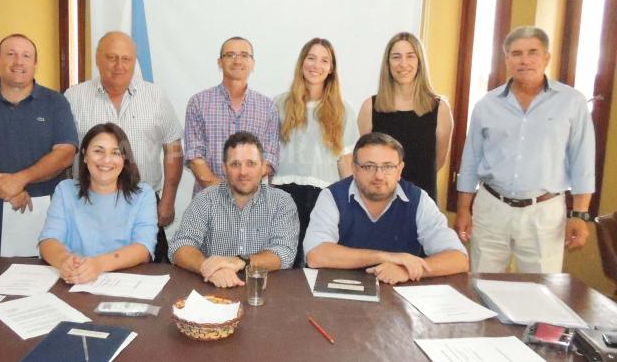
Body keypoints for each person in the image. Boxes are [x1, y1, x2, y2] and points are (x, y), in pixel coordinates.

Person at [455, 26, 595, 273]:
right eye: (516, 53)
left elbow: (582, 162)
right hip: (491, 208)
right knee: (481, 284)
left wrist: (580, 215)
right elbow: (470, 161)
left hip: (544, 211)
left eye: (533, 52)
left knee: (542, 292)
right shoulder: (487, 104)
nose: (525, 60)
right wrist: (463, 210)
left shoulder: (572, 102)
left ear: (546, 57)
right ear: (507, 59)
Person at [0, 34, 78, 256]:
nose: (19, 62)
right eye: (11, 54)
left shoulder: (55, 102)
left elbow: (65, 153)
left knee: (48, 285)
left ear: (35, 63)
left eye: (26, 56)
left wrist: (21, 179)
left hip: (47, 219)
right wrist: (4, 188)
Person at [64, 31, 182, 263]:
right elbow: (66, 153)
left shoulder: (155, 96)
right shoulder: (73, 97)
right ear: (98, 59)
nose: (119, 65)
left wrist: (167, 200)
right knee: (90, 272)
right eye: (111, 57)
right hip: (89, 204)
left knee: (151, 274)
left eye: (126, 59)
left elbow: (174, 148)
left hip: (143, 204)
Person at [304, 132, 468, 285]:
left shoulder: (418, 200)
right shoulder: (332, 197)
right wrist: (387, 257)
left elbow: (458, 258)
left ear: (400, 170)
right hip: (342, 290)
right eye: (369, 166)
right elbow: (316, 255)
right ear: (354, 168)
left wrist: (406, 270)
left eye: (388, 166)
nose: (379, 176)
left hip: (400, 295)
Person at [169, 131, 298, 288]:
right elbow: (180, 246)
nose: (243, 172)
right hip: (214, 288)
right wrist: (207, 267)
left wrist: (240, 262)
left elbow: (284, 253)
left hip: (263, 290)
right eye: (235, 164)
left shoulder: (282, 202)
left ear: (263, 167)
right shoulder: (205, 199)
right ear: (224, 168)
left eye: (251, 163)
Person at [273, 38, 358, 267]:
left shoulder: (343, 109)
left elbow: (346, 161)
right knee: (284, 260)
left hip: (324, 195)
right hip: (284, 193)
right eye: (311, 58)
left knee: (314, 261)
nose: (316, 65)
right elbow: (269, 155)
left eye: (324, 60)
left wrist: (350, 204)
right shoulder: (280, 104)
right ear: (302, 63)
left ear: (331, 68)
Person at [39, 123, 157, 284]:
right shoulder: (65, 191)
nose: (106, 160)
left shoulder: (143, 194)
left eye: (115, 153)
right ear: (85, 156)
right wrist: (64, 261)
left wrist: (98, 265)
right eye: (98, 151)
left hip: (122, 284)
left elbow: (143, 248)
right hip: (73, 281)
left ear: (124, 159)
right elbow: (48, 240)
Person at [357, 32, 452, 201]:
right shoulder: (370, 107)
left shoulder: (440, 109)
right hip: (378, 203)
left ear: (419, 62)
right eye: (396, 57)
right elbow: (365, 161)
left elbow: (438, 162)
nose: (403, 64)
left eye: (410, 56)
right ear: (388, 63)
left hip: (422, 202)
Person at [184, 36, 279, 196]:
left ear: (252, 63)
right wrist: (226, 191)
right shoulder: (198, 103)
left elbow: (269, 159)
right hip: (208, 202)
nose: (237, 60)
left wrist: (242, 189)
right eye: (230, 55)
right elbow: (194, 156)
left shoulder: (268, 107)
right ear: (220, 62)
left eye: (244, 55)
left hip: (253, 205)